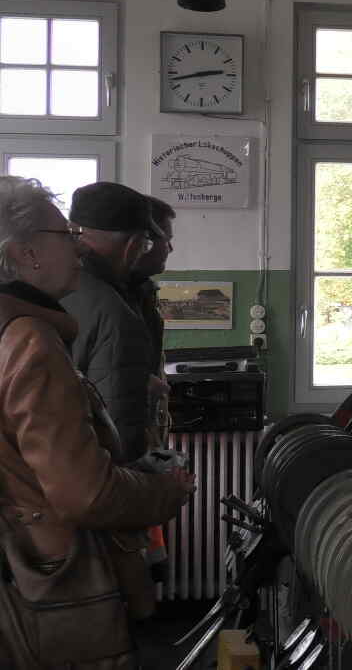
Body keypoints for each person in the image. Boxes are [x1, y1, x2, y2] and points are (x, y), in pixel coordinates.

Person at [0, 176, 194, 669]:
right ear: (27, 253)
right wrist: (166, 490)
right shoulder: (31, 342)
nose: (79, 247)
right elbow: (85, 493)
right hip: (54, 582)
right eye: (67, 234)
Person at [60, 183, 162, 463]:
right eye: (145, 243)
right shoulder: (116, 314)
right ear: (133, 244)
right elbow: (120, 439)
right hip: (89, 475)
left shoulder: (45, 288)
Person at [128, 197, 174, 451]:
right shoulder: (115, 298)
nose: (170, 249)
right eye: (167, 240)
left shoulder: (142, 292)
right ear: (144, 241)